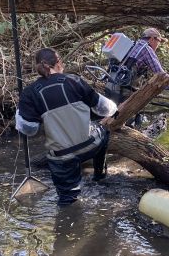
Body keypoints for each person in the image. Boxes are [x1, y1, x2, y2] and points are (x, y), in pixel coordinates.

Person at [15, 48, 118, 205]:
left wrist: (19, 113)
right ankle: (99, 177)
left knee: (67, 200)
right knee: (104, 131)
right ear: (58, 63)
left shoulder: (29, 93)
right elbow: (105, 110)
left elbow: (29, 130)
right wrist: (114, 106)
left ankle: (67, 218)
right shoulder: (73, 80)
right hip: (90, 144)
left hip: (62, 157)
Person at [106, 28, 169, 104]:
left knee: (108, 115)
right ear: (152, 39)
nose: (158, 45)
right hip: (121, 91)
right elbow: (163, 76)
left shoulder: (134, 45)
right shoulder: (146, 49)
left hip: (109, 86)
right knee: (124, 119)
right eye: (159, 41)